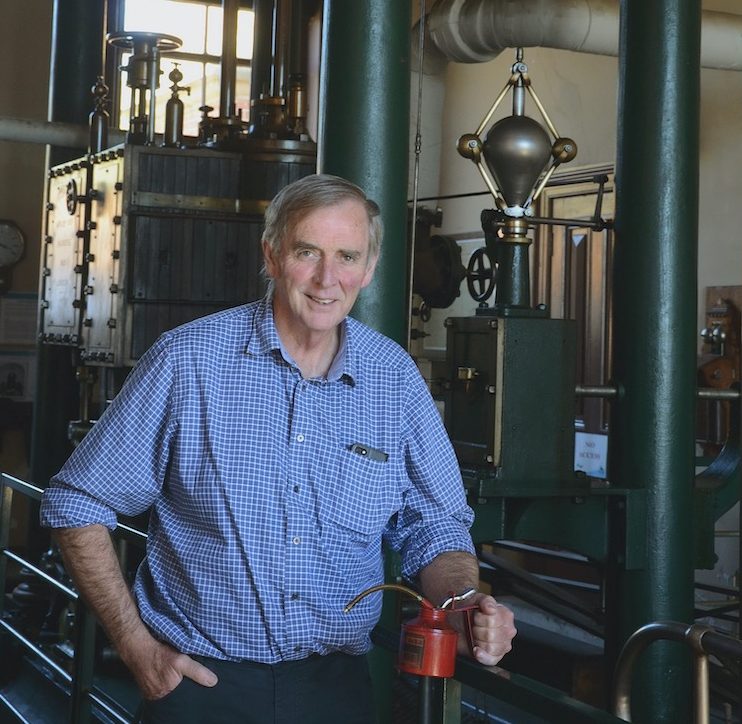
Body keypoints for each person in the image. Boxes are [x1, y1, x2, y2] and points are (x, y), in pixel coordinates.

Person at [40, 173, 516, 724]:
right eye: (307, 252)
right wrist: (134, 646)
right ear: (271, 256)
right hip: (200, 688)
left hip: (335, 692)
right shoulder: (189, 362)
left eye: (346, 256)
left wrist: (462, 605)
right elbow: (76, 502)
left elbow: (435, 527)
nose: (326, 278)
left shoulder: (395, 381)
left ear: (369, 269)